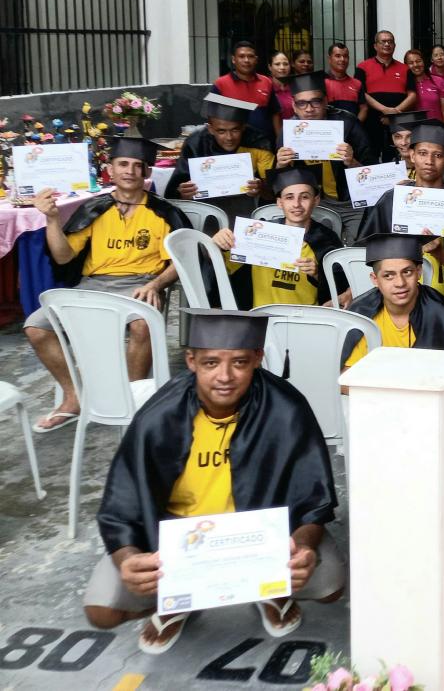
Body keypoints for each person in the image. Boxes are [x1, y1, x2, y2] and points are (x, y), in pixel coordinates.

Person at [86, 309, 343, 654]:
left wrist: (303, 547)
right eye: (210, 363)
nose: (225, 376)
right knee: (102, 610)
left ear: (257, 358)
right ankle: (182, 599)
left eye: (239, 362)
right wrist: (129, 560)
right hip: (179, 541)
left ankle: (269, 591)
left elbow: (312, 499)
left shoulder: (286, 409)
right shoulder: (159, 417)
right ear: (191, 361)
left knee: (329, 584)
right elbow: (122, 503)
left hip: (257, 537)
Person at [26, 137, 188, 433]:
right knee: (36, 327)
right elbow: (63, 257)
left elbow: (180, 259)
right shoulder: (95, 208)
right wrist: (51, 220)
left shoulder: (162, 212)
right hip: (93, 285)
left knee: (142, 324)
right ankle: (73, 397)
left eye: (138, 166)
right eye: (123, 164)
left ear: (147, 172)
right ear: (110, 170)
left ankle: (132, 398)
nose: (130, 171)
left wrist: (156, 284)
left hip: (140, 284)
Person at [357, 120, 444, 305]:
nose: (429, 161)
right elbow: (367, 254)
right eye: (422, 153)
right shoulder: (392, 200)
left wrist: (440, 252)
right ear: (412, 155)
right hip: (393, 295)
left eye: (438, 155)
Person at [211, 166, 349, 309]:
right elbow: (221, 268)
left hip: (307, 316)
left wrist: (318, 274)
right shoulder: (258, 233)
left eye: (304, 197)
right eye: (289, 197)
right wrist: (217, 244)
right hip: (260, 314)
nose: (296, 204)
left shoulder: (327, 240)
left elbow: (341, 290)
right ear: (279, 202)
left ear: (316, 200)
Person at [275, 71, 373, 243]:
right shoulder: (290, 131)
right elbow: (277, 184)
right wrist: (280, 165)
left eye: (316, 101)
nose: (309, 109)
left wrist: (352, 162)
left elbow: (373, 173)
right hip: (314, 203)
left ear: (326, 101)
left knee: (356, 247)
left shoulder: (348, 123)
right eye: (302, 103)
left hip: (351, 202)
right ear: (293, 105)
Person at [344, 233, 444, 367]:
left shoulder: (441, 313)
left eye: (407, 272)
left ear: (418, 272)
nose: (400, 283)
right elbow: (347, 374)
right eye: (388, 275)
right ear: (375, 279)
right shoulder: (361, 313)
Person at [164, 93, 274, 224]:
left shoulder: (258, 143)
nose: (229, 137)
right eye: (221, 131)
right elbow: (175, 191)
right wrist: (183, 193)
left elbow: (273, 192)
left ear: (244, 127)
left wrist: (261, 188)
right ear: (210, 129)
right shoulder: (196, 143)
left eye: (235, 130)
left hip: (245, 211)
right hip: (205, 211)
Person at [356, 30, 418, 156]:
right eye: (383, 41)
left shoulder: (405, 69)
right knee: (370, 157)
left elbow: (412, 95)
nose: (387, 44)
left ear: (394, 45)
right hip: (371, 122)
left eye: (390, 42)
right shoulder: (362, 67)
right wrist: (384, 109)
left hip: (398, 123)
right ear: (375, 46)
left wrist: (394, 113)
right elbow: (361, 92)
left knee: (396, 158)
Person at [212, 40, 279, 138]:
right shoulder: (220, 84)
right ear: (233, 59)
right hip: (234, 143)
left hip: (264, 142)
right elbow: (212, 117)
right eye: (241, 56)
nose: (246, 60)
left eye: (250, 56)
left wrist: (278, 141)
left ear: (256, 59)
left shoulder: (266, 82)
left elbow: (275, 113)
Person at [323, 42, 368, 122]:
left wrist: (354, 126)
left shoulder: (357, 84)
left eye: (345, 56)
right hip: (329, 128)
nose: (342, 59)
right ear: (329, 59)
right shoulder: (322, 83)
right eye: (338, 56)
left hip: (352, 128)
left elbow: (364, 109)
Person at [405, 48, 444, 124]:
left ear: (424, 62)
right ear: (406, 66)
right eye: (411, 63)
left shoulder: (438, 81)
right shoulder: (404, 84)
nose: (416, 65)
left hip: (437, 128)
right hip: (415, 129)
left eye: (418, 61)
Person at [268, 50, 294, 137]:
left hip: (294, 134)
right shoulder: (265, 87)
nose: (282, 67)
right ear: (270, 67)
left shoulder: (295, 87)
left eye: (285, 64)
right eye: (277, 64)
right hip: (270, 136)